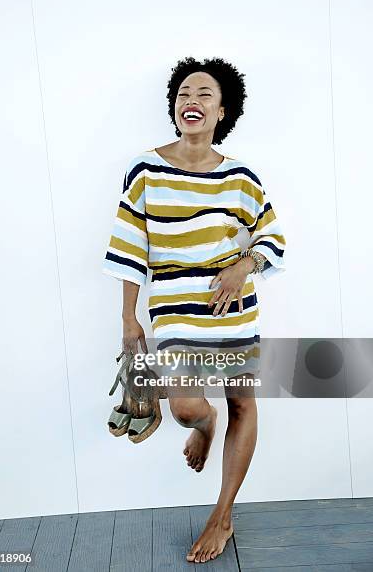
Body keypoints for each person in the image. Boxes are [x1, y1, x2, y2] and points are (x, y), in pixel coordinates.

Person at [102, 56, 286, 564]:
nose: (192, 101)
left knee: (244, 404)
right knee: (185, 405)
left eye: (205, 94)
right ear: (175, 107)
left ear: (222, 110)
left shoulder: (243, 179)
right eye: (185, 93)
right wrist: (128, 319)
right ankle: (204, 427)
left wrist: (244, 264)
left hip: (235, 311)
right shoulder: (145, 170)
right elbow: (129, 247)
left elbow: (273, 237)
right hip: (176, 312)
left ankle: (221, 516)